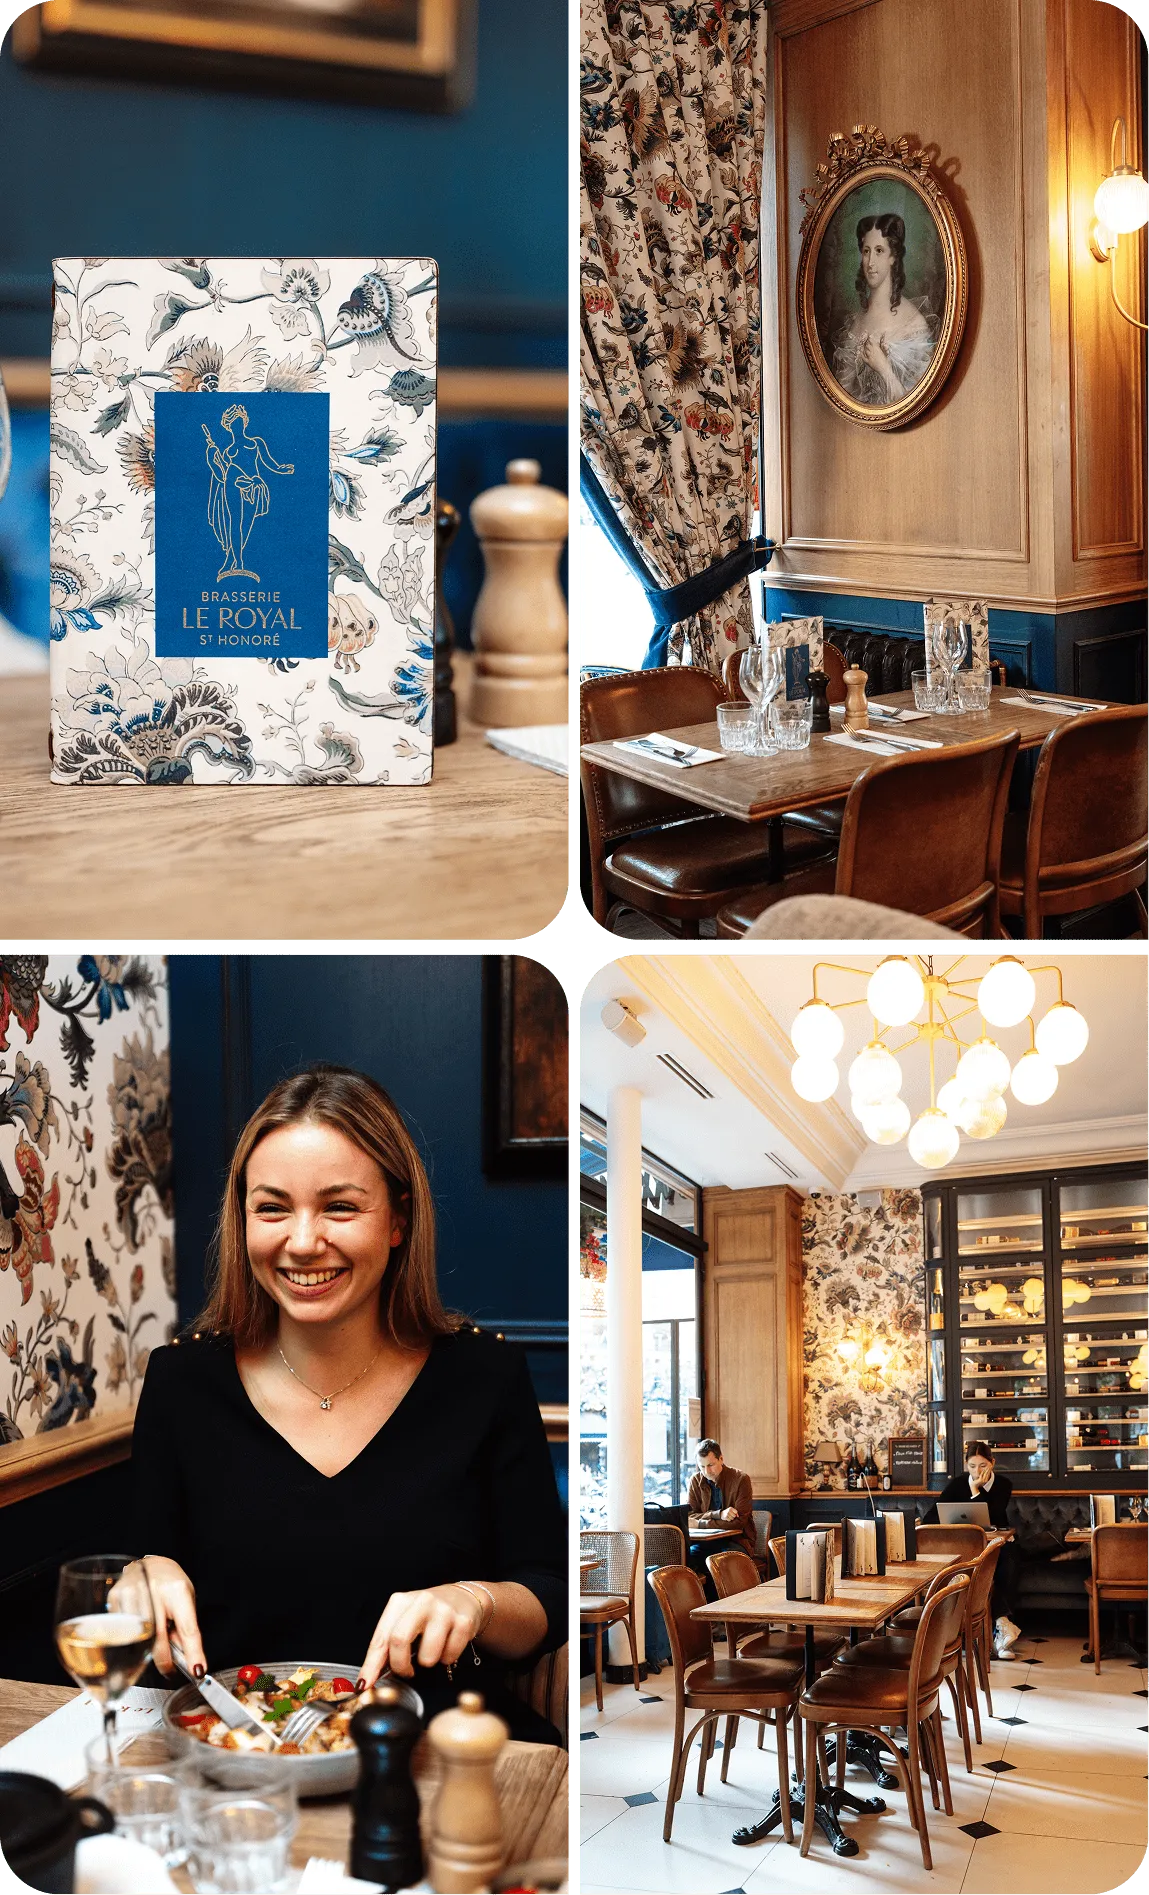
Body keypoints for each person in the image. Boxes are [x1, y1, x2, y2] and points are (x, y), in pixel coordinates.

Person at [132, 1064, 567, 1742]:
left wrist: (474, 1600)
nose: (303, 1241)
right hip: (233, 1759)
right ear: (243, 1218)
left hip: (439, 1750)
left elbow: (545, 1593)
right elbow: (140, 1583)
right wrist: (140, 1571)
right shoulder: (180, 1381)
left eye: (339, 1206)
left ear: (397, 1219)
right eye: (272, 1207)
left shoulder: (485, 1376)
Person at [831, 212, 938, 407]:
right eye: (866, 251)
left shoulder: (914, 324)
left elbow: (920, 403)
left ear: (893, 257)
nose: (870, 263)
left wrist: (883, 368)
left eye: (879, 251)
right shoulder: (854, 322)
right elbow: (843, 397)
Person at [925, 1441, 1021, 1658]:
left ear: (992, 1463)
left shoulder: (1004, 1484)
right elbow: (933, 1514)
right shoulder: (958, 1484)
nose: (977, 1471)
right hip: (967, 1547)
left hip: (998, 1544)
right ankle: (995, 1625)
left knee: (1007, 1560)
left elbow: (994, 1515)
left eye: (983, 1465)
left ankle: (1001, 1625)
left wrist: (975, 1490)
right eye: (972, 1466)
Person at [687, 1440, 755, 1561]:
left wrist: (700, 1524)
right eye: (702, 1466)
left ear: (721, 1459)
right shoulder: (695, 1480)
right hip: (705, 1543)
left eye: (710, 1465)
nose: (706, 1471)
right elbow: (690, 1517)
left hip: (737, 1541)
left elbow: (739, 1522)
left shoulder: (741, 1479)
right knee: (687, 1558)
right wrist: (718, 1515)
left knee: (726, 1560)